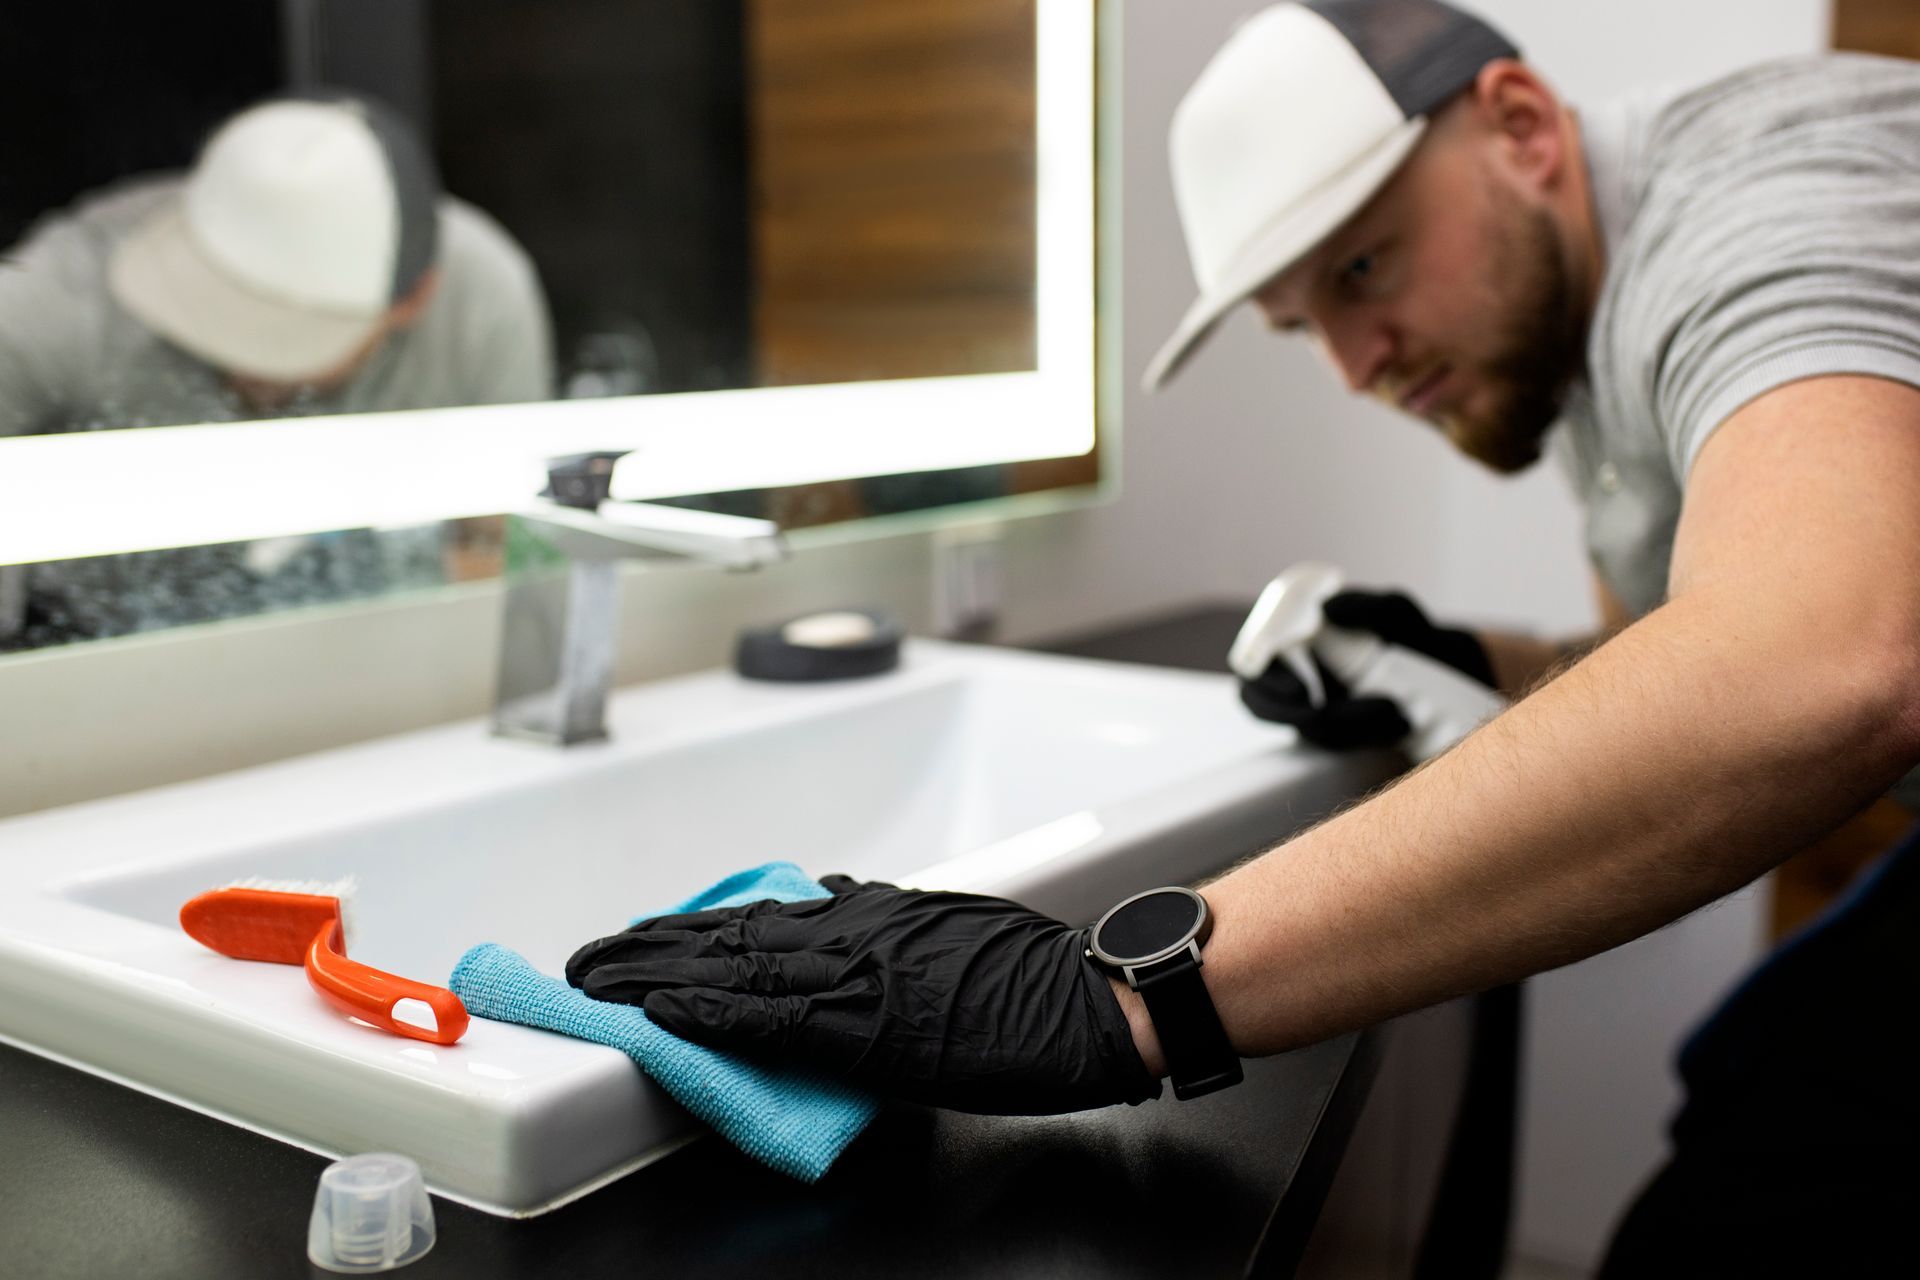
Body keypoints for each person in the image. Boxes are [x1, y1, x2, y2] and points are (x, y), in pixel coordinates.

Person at [565, 2, 1920, 1270]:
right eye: (1302, 320)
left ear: (1520, 124)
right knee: (1750, 1081)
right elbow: (1675, 644)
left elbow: (1819, 659)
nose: (1354, 362)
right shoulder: (1584, 316)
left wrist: (1114, 997)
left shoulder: (1772, 204)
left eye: (1364, 266)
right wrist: (1464, 659)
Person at [0, 92, 553, 646]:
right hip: (91, 646)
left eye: (284, 341)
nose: (243, 364)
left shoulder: (480, 303)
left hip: (367, 650)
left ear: (412, 301)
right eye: (212, 317)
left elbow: (494, 548)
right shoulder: (69, 295)